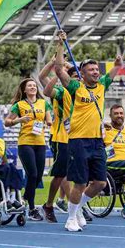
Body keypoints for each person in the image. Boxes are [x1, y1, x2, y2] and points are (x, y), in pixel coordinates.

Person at [55, 30, 123, 232]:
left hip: (97, 142)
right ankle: (70, 219)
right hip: (78, 141)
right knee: (80, 183)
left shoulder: (102, 85)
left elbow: (113, 71)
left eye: (96, 69)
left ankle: (77, 210)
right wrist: (60, 44)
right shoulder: (76, 88)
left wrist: (117, 65)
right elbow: (59, 70)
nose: (95, 72)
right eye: (90, 70)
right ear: (82, 74)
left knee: (100, 183)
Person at [5, 78, 52, 221]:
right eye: (29, 86)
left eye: (34, 85)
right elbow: (7, 122)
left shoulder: (43, 103)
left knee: (38, 176)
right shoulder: (19, 105)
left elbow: (49, 119)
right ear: (24, 90)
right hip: (25, 142)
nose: (32, 87)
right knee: (32, 174)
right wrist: (19, 120)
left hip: (40, 142)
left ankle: (25, 197)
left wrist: (50, 122)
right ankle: (31, 208)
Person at [40, 58, 81, 223]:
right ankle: (50, 205)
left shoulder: (84, 92)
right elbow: (46, 87)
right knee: (60, 174)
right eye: (74, 78)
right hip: (61, 137)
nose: (77, 81)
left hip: (79, 138)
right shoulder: (62, 92)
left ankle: (73, 206)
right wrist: (56, 67)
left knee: (79, 175)